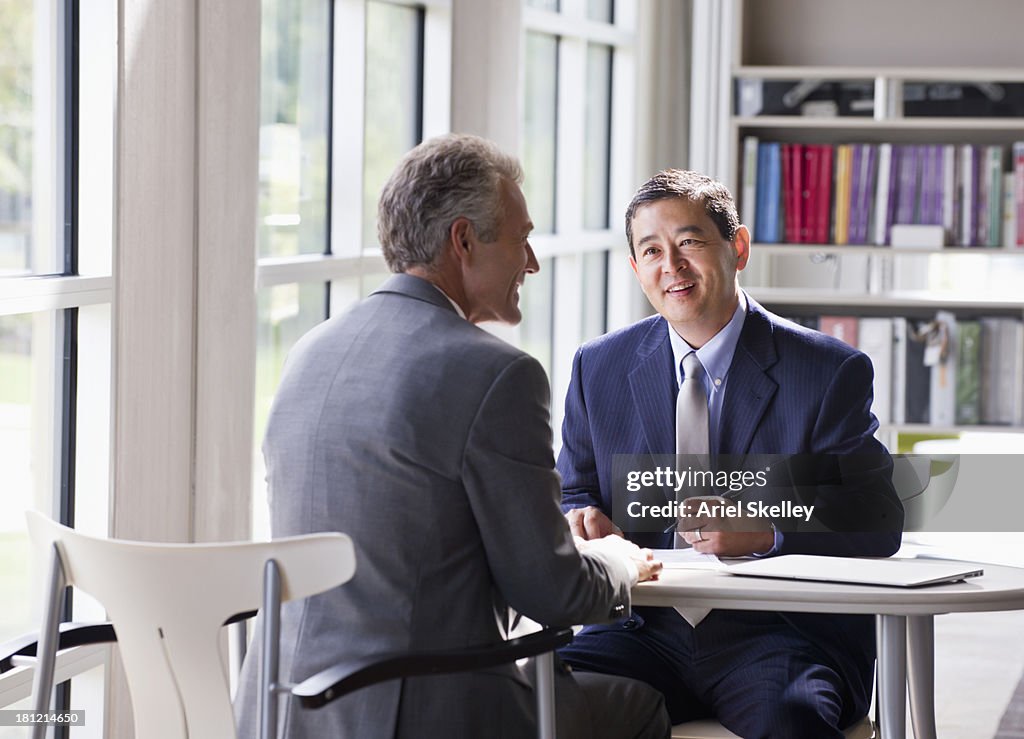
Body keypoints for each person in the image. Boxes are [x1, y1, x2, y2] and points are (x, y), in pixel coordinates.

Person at [234, 134, 671, 739]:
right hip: (420, 713)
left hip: (279, 709)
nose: (533, 263)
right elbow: (553, 594)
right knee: (639, 705)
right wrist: (618, 563)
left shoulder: (311, 351)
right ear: (464, 241)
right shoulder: (496, 374)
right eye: (521, 240)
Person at [556, 169, 904, 738]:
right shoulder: (599, 367)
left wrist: (765, 528)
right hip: (642, 625)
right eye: (652, 250)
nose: (671, 265)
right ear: (635, 268)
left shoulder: (827, 369)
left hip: (780, 633)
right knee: (541, 703)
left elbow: (877, 515)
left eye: (689, 242)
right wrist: (578, 519)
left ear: (737, 247)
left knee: (788, 720)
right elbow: (576, 490)